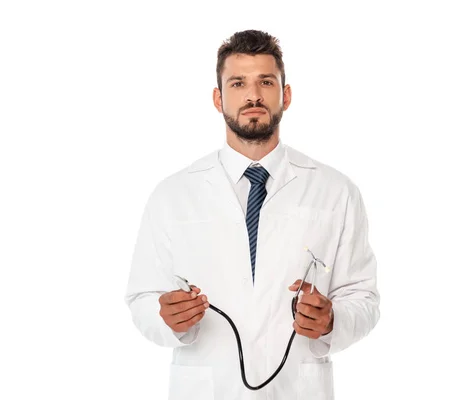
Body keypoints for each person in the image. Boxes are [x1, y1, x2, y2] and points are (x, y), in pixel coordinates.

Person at [124, 29, 380, 400]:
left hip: (297, 389)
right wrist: (167, 319)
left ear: (286, 95)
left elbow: (364, 298)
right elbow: (142, 298)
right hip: (208, 389)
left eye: (266, 81)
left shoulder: (336, 191)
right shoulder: (172, 195)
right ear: (218, 98)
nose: (253, 95)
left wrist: (332, 321)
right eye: (238, 83)